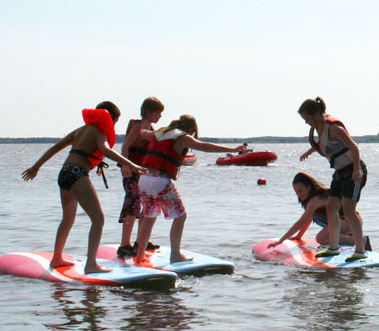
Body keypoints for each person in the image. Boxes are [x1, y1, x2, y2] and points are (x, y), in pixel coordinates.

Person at [21, 102, 148, 274]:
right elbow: (106, 150)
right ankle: (91, 265)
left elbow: (55, 147)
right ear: (109, 118)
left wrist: (36, 167)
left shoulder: (81, 130)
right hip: (78, 174)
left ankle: (57, 258)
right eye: (115, 122)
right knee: (98, 219)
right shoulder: (99, 131)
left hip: (64, 173)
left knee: (67, 219)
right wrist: (133, 165)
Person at [132, 115, 247, 264]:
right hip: (160, 181)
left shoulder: (160, 132)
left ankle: (139, 257)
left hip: (144, 180)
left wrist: (142, 127)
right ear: (191, 129)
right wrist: (232, 148)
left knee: (148, 217)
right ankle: (175, 254)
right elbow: (205, 146)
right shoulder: (183, 136)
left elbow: (143, 134)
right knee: (180, 216)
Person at [297, 97, 368, 262]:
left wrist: (357, 169)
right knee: (331, 207)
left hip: (353, 171)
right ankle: (334, 248)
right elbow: (324, 145)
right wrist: (309, 152)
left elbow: (354, 147)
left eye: (307, 119)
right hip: (340, 172)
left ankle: (360, 250)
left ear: (315, 114)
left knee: (349, 210)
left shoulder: (333, 127)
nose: (306, 123)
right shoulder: (320, 129)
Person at [265, 172, 370, 250]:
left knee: (321, 238)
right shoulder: (311, 201)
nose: (299, 194)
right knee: (323, 235)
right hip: (343, 224)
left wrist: (281, 240)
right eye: (296, 192)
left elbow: (301, 221)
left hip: (349, 222)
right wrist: (299, 236)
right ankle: (351, 239)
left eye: (301, 191)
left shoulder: (316, 199)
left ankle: (360, 240)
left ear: (309, 187)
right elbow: (309, 219)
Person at [116, 97, 164, 258]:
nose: (160, 116)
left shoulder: (149, 128)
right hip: (131, 172)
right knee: (132, 204)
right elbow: (125, 146)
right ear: (148, 112)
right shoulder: (137, 126)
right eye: (158, 112)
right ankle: (124, 244)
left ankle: (140, 241)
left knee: (146, 205)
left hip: (143, 173)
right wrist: (125, 166)